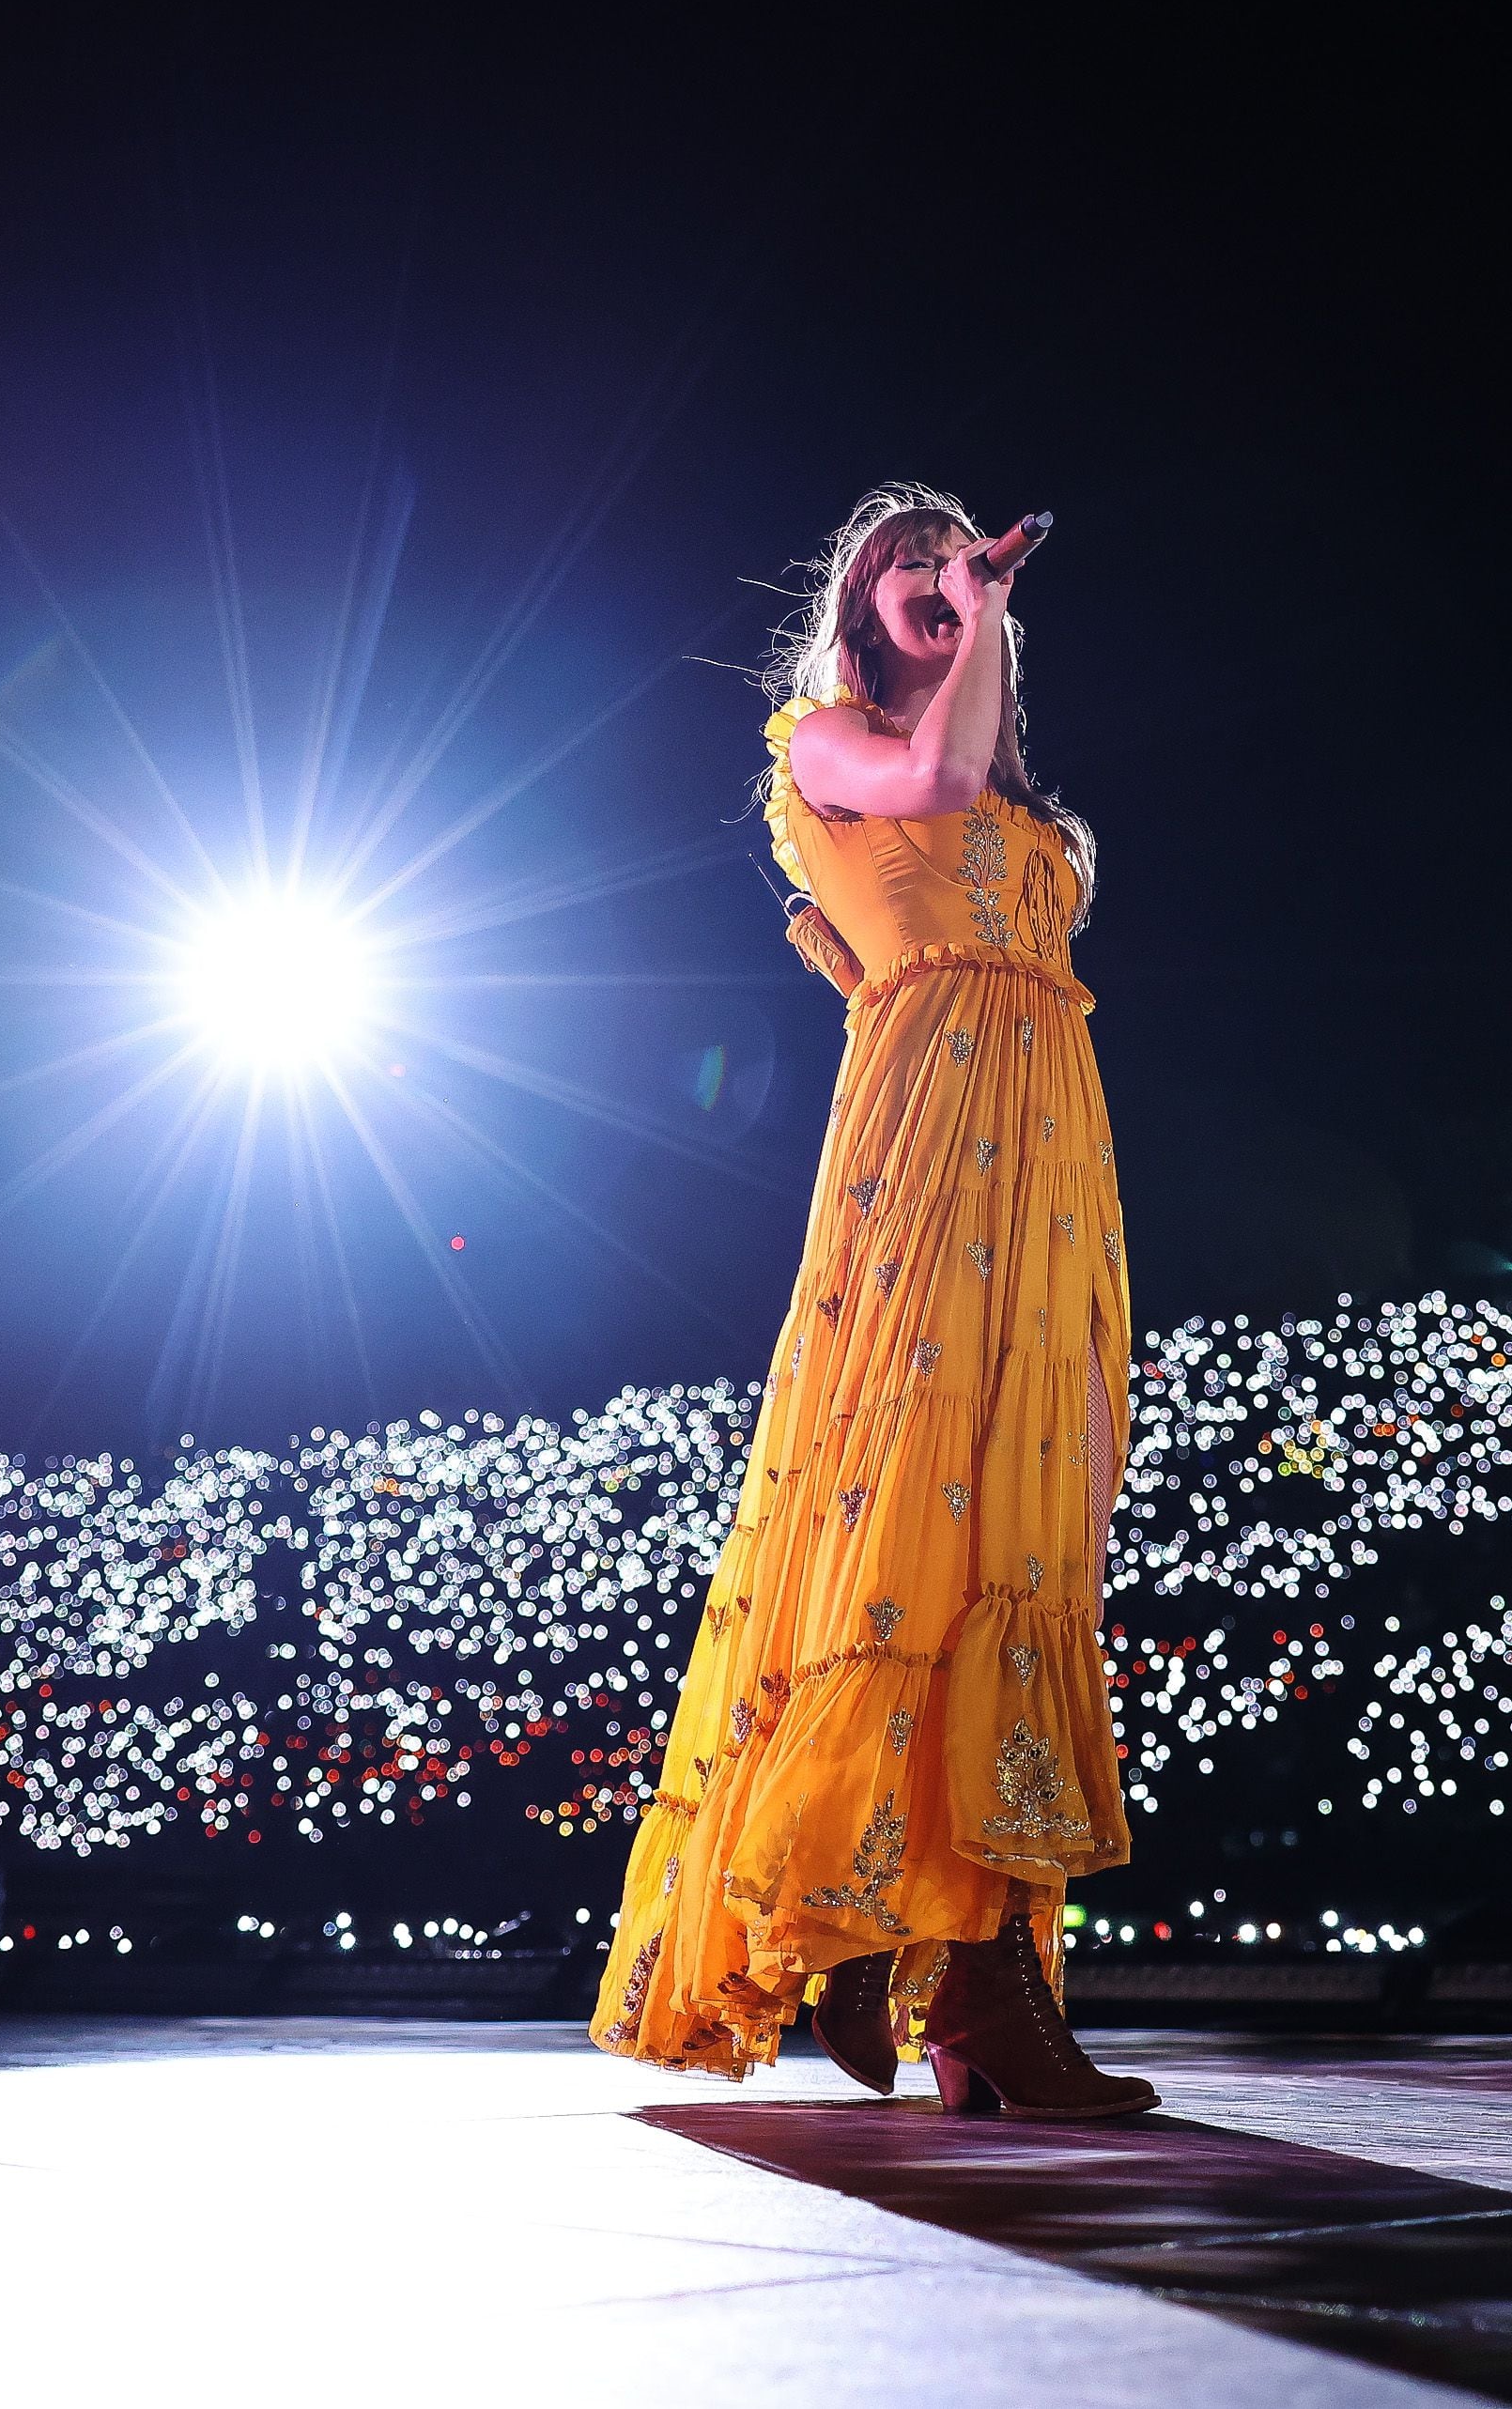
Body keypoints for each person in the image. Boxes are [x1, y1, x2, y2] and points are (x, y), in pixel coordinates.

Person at [587, 484, 1152, 2119]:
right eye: (902, 563)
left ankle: (962, 1973)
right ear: (854, 611)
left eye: (951, 558)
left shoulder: (1018, 794)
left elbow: (986, 799)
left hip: (1050, 1133)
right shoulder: (823, 745)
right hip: (928, 1128)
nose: (933, 575)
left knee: (1030, 1522)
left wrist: (982, 641)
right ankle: (922, 1948)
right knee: (915, 1505)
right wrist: (986, 620)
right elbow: (937, 782)